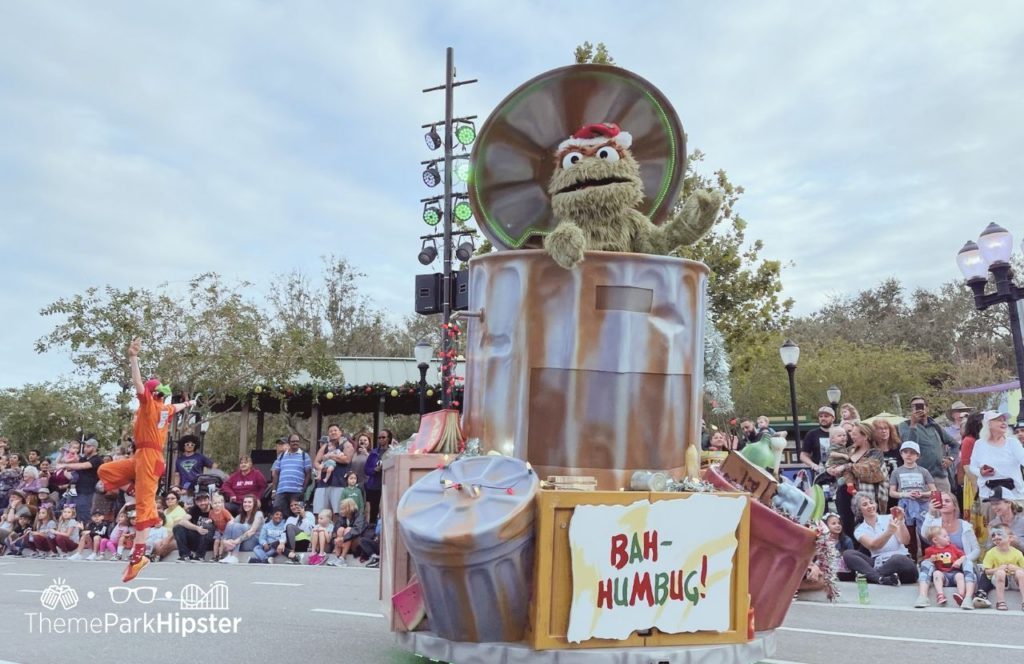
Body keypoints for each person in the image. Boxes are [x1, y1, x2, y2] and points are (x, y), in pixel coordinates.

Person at [99, 338, 196, 582]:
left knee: (143, 507)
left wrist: (133, 357)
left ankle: (138, 558)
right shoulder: (165, 409)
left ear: (153, 395)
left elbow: (138, 384)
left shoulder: (150, 406)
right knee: (105, 470)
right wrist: (191, 402)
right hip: (141, 456)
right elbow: (179, 406)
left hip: (150, 458)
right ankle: (136, 489)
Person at [919, 490, 983, 608]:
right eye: (941, 501)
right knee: (926, 562)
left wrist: (962, 560)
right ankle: (922, 597)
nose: (944, 503)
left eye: (947, 501)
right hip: (939, 567)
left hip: (960, 567)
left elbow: (976, 550)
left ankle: (968, 598)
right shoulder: (934, 523)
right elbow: (924, 534)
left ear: (955, 506)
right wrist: (930, 513)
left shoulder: (965, 526)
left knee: (968, 562)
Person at [827, 422, 888, 539]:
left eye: (854, 434)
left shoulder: (875, 453)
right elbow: (833, 460)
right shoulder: (850, 450)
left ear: (865, 436)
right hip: (844, 493)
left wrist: (846, 466)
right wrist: (830, 468)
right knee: (846, 526)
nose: (851, 437)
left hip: (866, 496)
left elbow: (869, 468)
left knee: (866, 528)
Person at [841, 491, 916, 585]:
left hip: (902, 565)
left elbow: (905, 541)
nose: (870, 506)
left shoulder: (890, 518)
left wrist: (900, 521)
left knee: (898, 559)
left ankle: (870, 577)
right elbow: (873, 546)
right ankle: (880, 578)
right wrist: (889, 532)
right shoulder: (859, 530)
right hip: (879, 563)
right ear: (859, 510)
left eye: (871, 503)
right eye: (865, 505)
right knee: (848, 554)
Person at [898, 396, 957, 493]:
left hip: (940, 476)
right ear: (911, 410)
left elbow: (955, 444)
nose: (918, 409)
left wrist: (951, 458)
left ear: (927, 408)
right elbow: (909, 447)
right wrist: (913, 425)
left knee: (945, 505)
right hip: (917, 478)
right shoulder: (904, 425)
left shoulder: (935, 426)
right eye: (914, 407)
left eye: (921, 406)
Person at [888, 441, 937, 559]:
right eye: (906, 452)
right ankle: (911, 559)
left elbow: (934, 491)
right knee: (908, 532)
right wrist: (905, 494)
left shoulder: (923, 471)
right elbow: (892, 492)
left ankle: (928, 558)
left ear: (918, 455)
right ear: (901, 454)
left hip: (922, 505)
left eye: (912, 453)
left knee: (925, 533)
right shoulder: (897, 472)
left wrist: (922, 494)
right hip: (905, 505)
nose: (909, 455)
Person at [968, 411, 1024, 505]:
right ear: (989, 424)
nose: (1004, 423)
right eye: (999, 420)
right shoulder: (979, 444)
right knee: (992, 520)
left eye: (1004, 420)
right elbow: (972, 466)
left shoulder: (1013, 443)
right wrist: (980, 472)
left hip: (1014, 495)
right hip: (988, 495)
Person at [918, 525, 969, 608]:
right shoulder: (930, 550)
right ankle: (940, 595)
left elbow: (963, 556)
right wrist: (931, 559)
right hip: (943, 575)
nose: (948, 537)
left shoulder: (952, 547)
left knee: (960, 576)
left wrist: (958, 562)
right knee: (936, 573)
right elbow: (926, 563)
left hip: (954, 572)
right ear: (935, 540)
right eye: (945, 536)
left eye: (948, 535)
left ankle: (961, 595)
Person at [54, 437, 104, 520]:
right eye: (84, 446)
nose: (85, 448)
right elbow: (64, 461)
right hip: (73, 491)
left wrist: (64, 465)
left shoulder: (97, 459)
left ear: (94, 448)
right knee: (66, 513)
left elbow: (82, 466)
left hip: (86, 492)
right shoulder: (83, 458)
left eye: (88, 446)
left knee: (82, 515)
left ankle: (83, 531)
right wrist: (64, 452)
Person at [981, 525, 1024, 611]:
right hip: (999, 580)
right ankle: (1000, 601)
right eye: (993, 535)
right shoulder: (991, 553)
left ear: (1010, 538)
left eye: (1000, 534)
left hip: (1015, 582)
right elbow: (986, 571)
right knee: (1000, 573)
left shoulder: (1017, 553)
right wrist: (998, 569)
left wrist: (1016, 568)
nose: (996, 537)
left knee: (1020, 573)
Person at [271, 435, 312, 513]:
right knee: (277, 511)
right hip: (281, 491)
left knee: (296, 513)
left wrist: (303, 490)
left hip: (296, 491)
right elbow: (276, 474)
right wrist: (274, 490)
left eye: (297, 441)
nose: (295, 443)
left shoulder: (304, 456)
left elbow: (308, 474)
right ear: (289, 443)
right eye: (293, 441)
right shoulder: (282, 456)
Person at [219, 495, 264, 564]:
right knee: (230, 524)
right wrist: (225, 541)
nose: (246, 504)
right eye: (245, 502)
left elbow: (251, 532)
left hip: (253, 542)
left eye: (249, 502)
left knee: (237, 526)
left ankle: (235, 556)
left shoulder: (259, 514)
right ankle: (229, 555)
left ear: (254, 504)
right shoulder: (241, 516)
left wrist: (235, 542)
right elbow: (230, 527)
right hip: (240, 542)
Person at [173, 491, 215, 562]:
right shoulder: (194, 509)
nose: (202, 503)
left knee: (208, 526)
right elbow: (182, 521)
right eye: (200, 501)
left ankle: (200, 556)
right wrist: (197, 528)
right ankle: (185, 555)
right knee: (177, 527)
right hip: (197, 538)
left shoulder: (214, 509)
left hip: (211, 540)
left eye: (205, 500)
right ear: (196, 502)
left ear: (209, 500)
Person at [330, 497, 368, 566]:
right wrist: (336, 539)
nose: (341, 511)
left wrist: (343, 538)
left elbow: (357, 530)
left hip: (358, 544)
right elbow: (335, 530)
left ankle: (342, 558)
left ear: (349, 508)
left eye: (343, 509)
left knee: (349, 529)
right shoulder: (342, 517)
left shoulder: (360, 516)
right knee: (341, 529)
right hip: (344, 543)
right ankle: (338, 557)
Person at [151, 491, 188, 561]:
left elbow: (176, 530)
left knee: (162, 544)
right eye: (167, 499)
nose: (169, 500)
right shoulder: (165, 511)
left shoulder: (180, 512)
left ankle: (156, 557)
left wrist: (167, 539)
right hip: (162, 534)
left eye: (172, 498)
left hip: (175, 538)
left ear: (177, 500)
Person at [800, 406, 837, 476]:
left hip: (838, 472)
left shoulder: (841, 432)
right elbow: (803, 455)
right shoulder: (812, 434)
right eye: (820, 416)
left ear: (833, 418)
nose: (823, 418)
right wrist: (813, 465)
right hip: (820, 473)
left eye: (826, 416)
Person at [824, 512, 856, 581]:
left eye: (839, 523)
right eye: (833, 523)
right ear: (826, 526)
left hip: (844, 572)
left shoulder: (847, 541)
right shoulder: (823, 541)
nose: (838, 525)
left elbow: (852, 559)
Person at [282, 499, 314, 564]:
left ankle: (292, 554)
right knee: (275, 544)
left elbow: (309, 532)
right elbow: (284, 533)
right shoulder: (290, 518)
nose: (293, 507)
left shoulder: (309, 514)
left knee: (290, 526)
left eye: (296, 505)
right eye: (291, 506)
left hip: (304, 542)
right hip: (292, 542)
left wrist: (304, 516)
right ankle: (293, 556)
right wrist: (282, 543)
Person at [364, 435, 385, 525]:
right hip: (374, 485)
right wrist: (374, 470)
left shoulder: (393, 452)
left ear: (389, 438)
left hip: (388, 484)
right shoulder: (374, 453)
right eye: (379, 437)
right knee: (373, 509)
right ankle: (372, 529)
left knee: (385, 509)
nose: (381, 439)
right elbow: (366, 469)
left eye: (383, 437)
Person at [207, 493, 233, 562]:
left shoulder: (224, 511)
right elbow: (211, 519)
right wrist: (209, 521)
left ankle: (220, 555)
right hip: (218, 529)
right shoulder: (211, 512)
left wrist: (230, 522)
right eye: (215, 503)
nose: (217, 504)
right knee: (216, 541)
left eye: (219, 503)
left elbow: (231, 519)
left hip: (225, 530)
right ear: (211, 504)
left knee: (222, 541)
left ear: (222, 503)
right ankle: (215, 555)